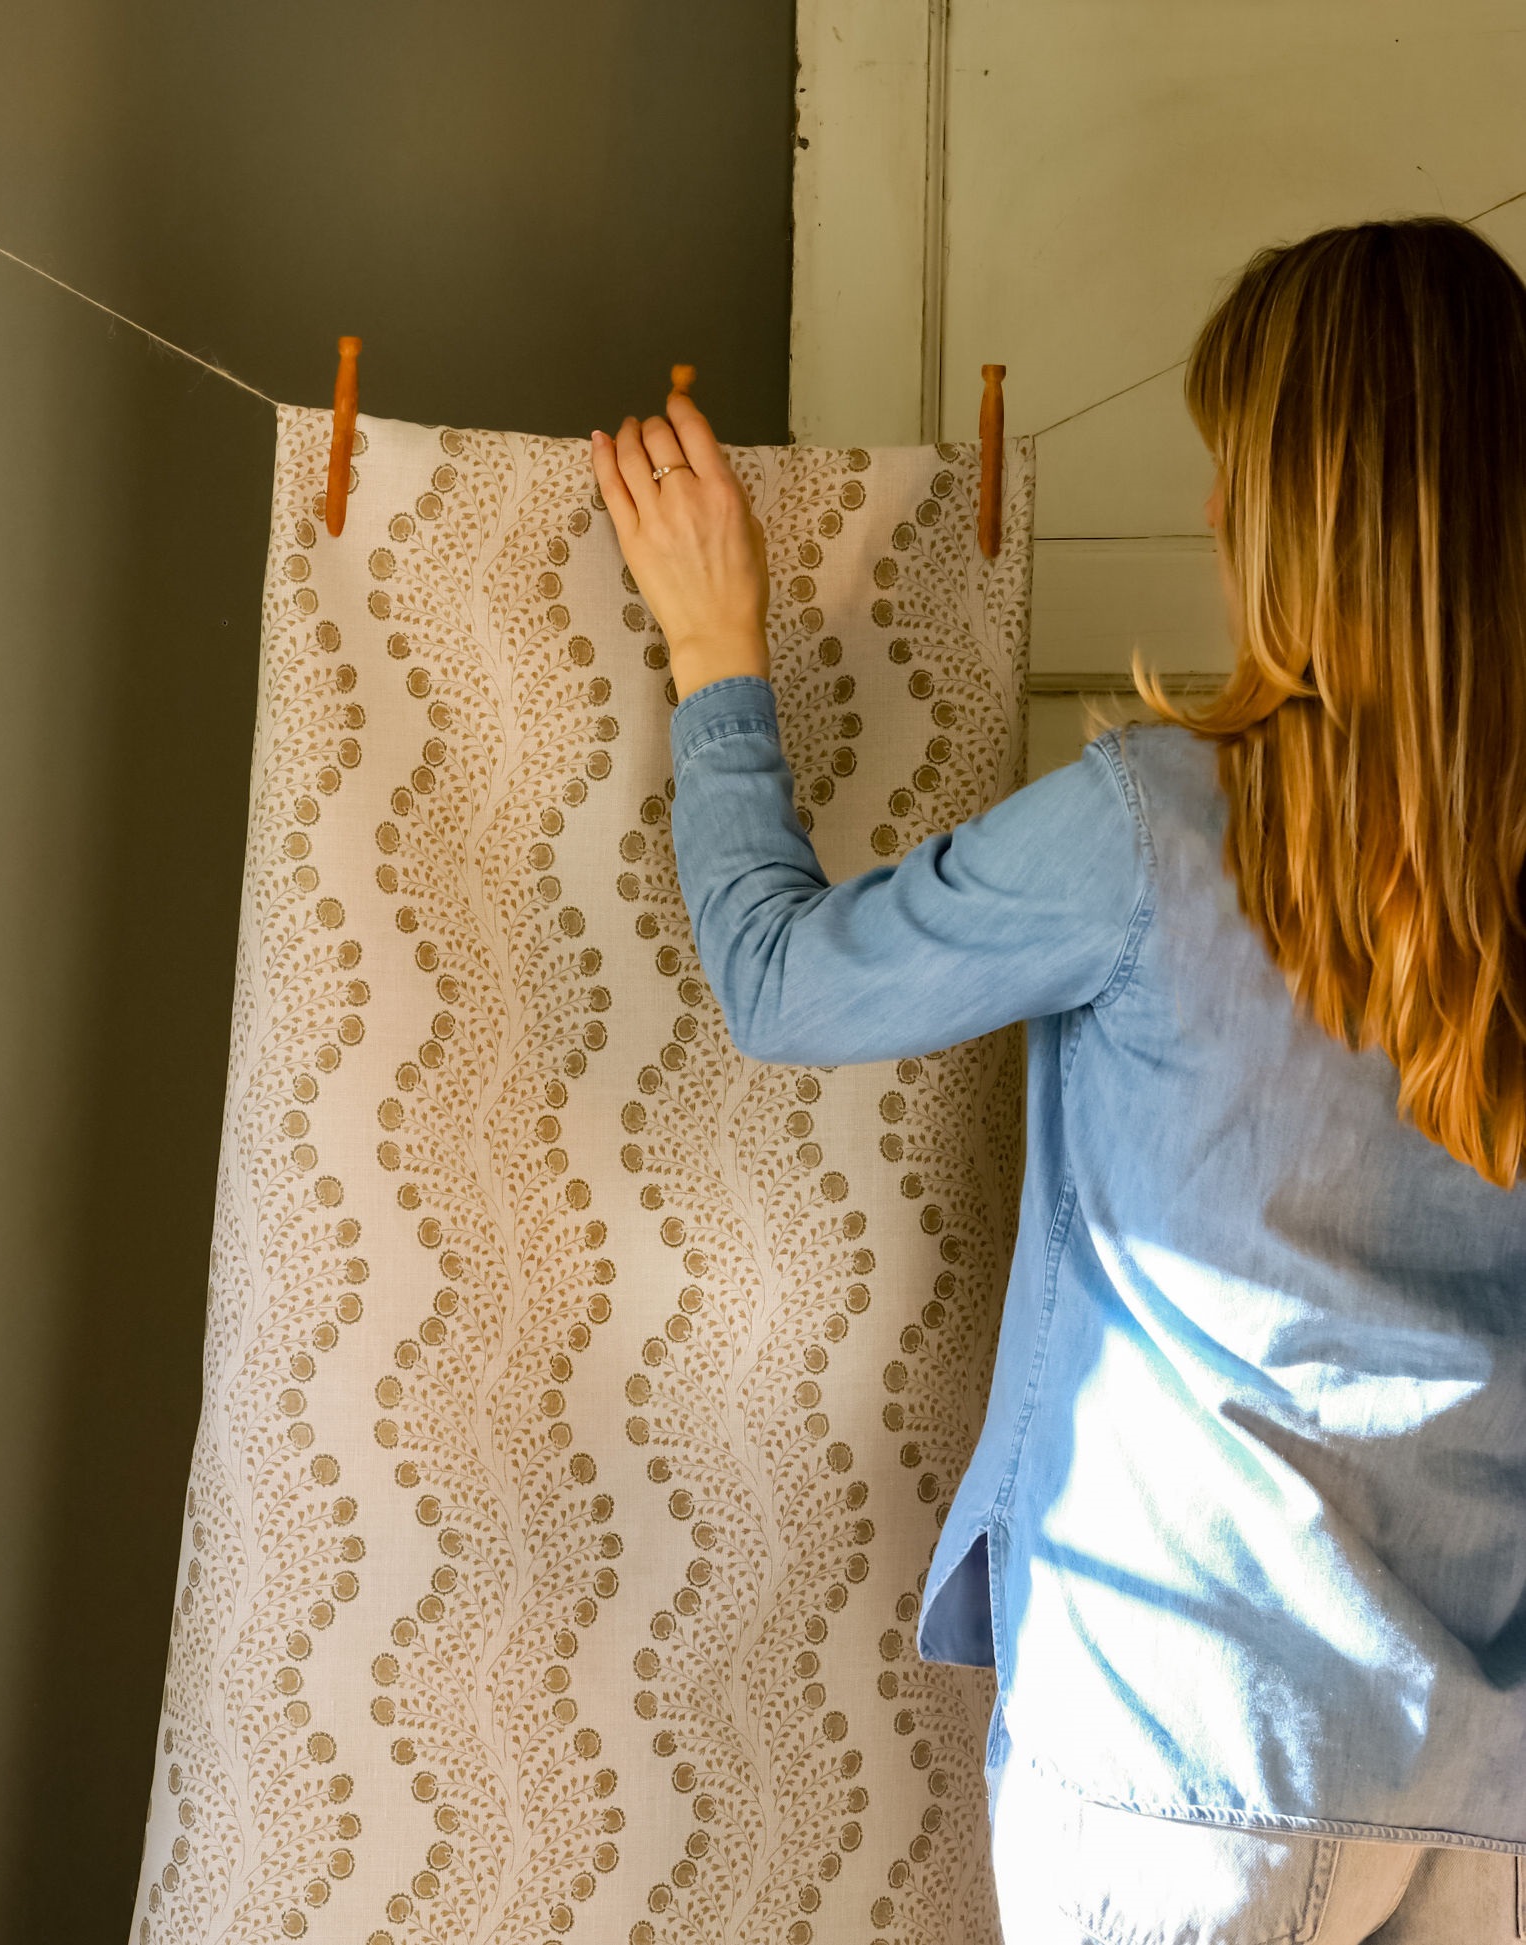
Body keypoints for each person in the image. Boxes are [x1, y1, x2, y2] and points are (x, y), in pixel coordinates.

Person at [589, 215, 1526, 1944]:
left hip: (1190, 1768)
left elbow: (783, 983)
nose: (1208, 516)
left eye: (1231, 473)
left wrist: (719, 650)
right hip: (1480, 1798)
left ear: (1298, 513)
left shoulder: (1159, 827)